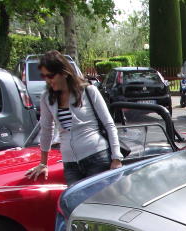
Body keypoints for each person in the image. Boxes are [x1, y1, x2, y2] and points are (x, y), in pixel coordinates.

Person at [26, 50, 122, 185]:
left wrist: (116, 157)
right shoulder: (47, 97)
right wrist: (43, 163)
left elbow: (109, 124)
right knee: (76, 205)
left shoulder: (88, 91)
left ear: (64, 73)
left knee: (96, 204)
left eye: (51, 76)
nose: (48, 80)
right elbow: (46, 130)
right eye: (44, 76)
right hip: (70, 164)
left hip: (96, 157)